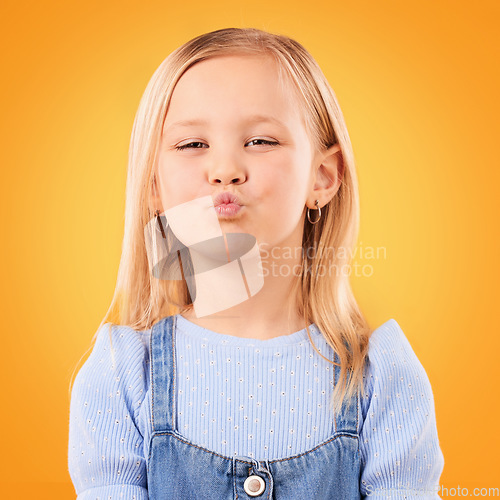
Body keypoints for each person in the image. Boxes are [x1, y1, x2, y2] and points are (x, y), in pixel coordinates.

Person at [68, 27, 445, 499]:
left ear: (323, 177)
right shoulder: (121, 375)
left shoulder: (381, 377)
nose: (224, 168)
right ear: (154, 189)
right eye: (192, 145)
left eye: (261, 141)